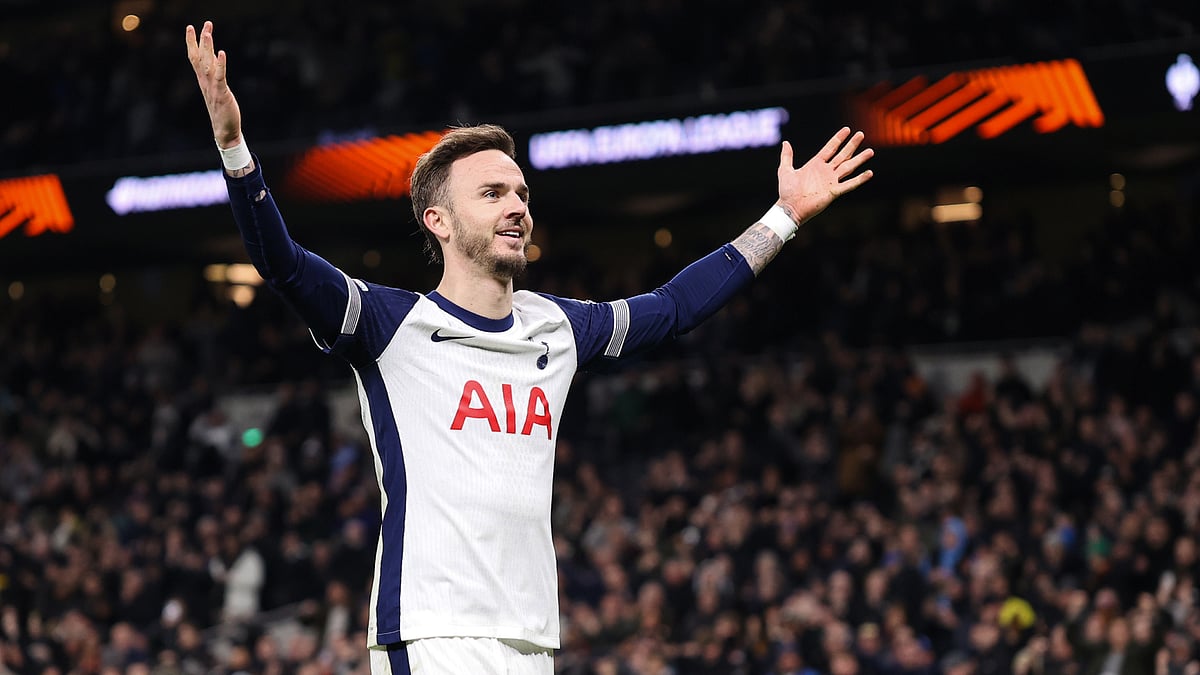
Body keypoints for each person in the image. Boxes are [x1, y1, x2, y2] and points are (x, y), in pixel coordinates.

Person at [185, 19, 874, 675]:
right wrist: (234, 149)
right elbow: (283, 265)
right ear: (440, 221)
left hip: (531, 634)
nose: (517, 204)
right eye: (492, 193)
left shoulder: (558, 326)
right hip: (434, 631)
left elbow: (673, 308)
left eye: (521, 191)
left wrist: (783, 218)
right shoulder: (389, 324)